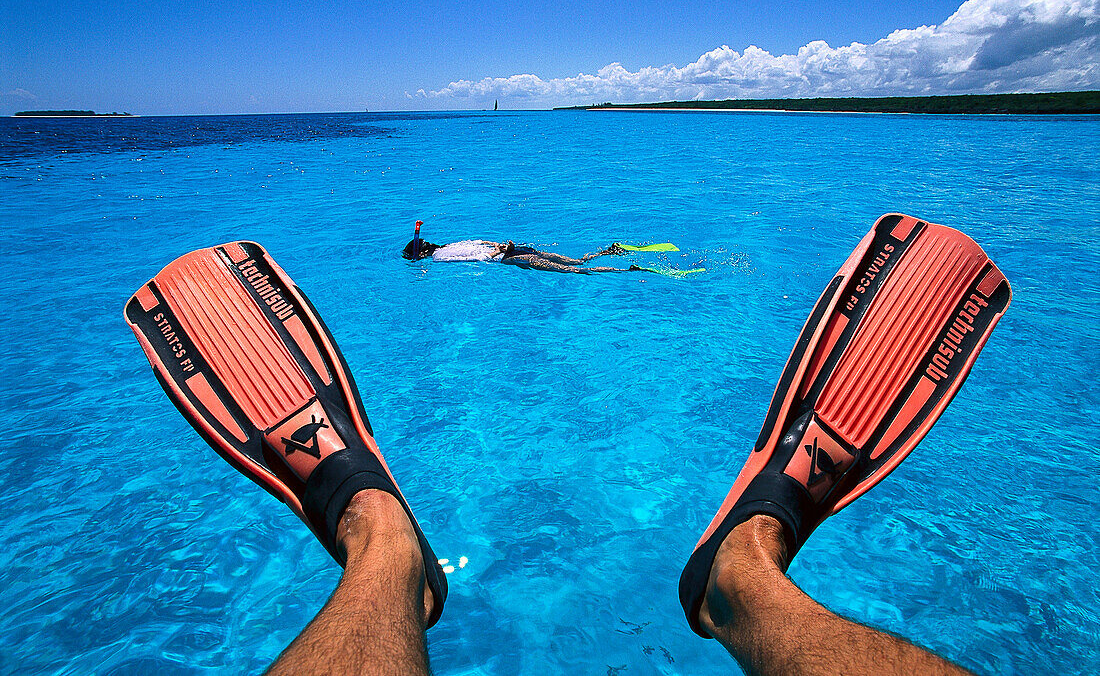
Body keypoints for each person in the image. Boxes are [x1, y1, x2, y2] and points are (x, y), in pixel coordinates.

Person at [126, 214, 1010, 676]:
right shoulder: (445, 252)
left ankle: (381, 538)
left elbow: (428, 249)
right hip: (518, 250)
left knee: (586, 268)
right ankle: (745, 559)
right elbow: (457, 245)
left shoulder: (436, 259)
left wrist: (424, 247)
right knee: (586, 265)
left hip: (512, 257)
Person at [403, 235, 635, 274]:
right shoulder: (441, 255)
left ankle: (611, 259)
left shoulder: (444, 250)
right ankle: (614, 262)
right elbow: (479, 253)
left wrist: (501, 246)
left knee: (575, 266)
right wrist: (500, 248)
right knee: (574, 266)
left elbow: (481, 245)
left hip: (512, 254)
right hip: (510, 255)